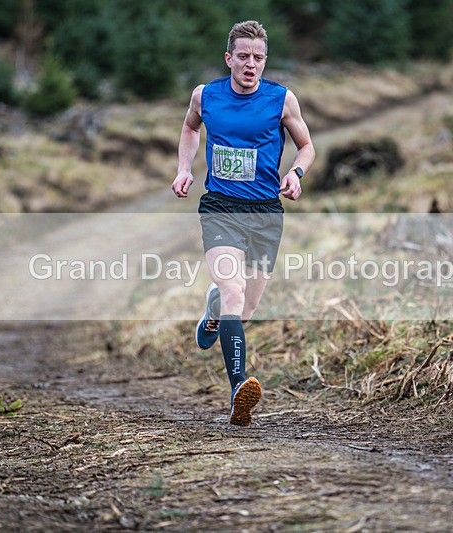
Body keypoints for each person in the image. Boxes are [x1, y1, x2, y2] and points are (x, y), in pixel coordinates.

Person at [171, 20, 315, 426]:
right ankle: (239, 389)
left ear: (265, 61)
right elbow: (190, 127)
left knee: (245, 309)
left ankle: (213, 308)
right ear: (229, 58)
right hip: (220, 207)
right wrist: (184, 168)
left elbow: (306, 146)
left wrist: (296, 173)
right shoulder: (206, 95)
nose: (251, 64)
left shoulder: (282, 100)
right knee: (233, 291)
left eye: (259, 58)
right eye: (244, 57)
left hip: (265, 213)